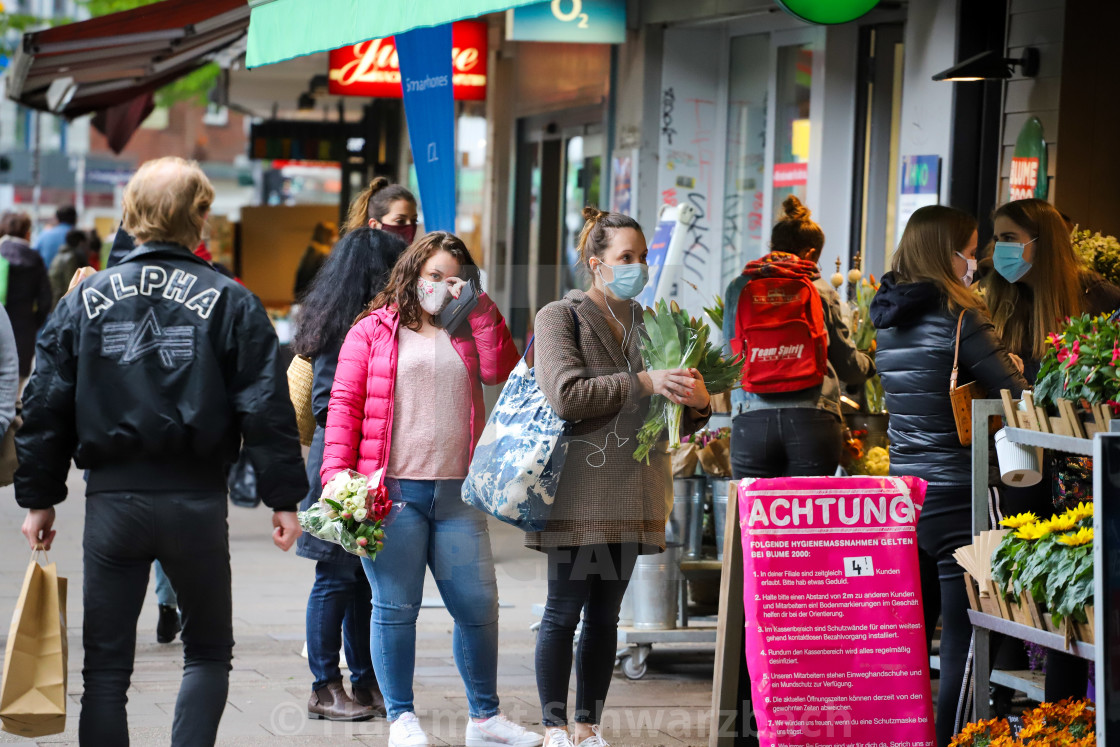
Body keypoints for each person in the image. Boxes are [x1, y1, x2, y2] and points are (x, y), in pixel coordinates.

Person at [14, 156, 308, 746]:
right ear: (199, 216)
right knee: (207, 653)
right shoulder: (231, 300)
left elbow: (45, 403)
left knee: (105, 671)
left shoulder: (84, 298)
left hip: (113, 503)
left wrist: (40, 499)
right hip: (196, 501)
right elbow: (265, 405)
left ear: (133, 214)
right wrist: (283, 498)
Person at [322, 231, 535, 747]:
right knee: (395, 607)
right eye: (433, 276)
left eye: (454, 279)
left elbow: (501, 370)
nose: (441, 286)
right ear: (413, 274)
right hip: (392, 493)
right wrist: (335, 476)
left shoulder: (466, 328)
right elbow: (345, 403)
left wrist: (478, 306)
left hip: (457, 493)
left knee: (479, 605)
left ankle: (485, 719)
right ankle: (402, 717)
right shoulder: (373, 330)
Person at [531, 208, 712, 747]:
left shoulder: (649, 320)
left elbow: (672, 405)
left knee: (606, 617)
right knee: (564, 611)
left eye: (643, 257)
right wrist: (643, 380)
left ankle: (588, 725)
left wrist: (699, 403)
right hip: (577, 492)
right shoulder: (559, 317)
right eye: (625, 258)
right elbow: (565, 395)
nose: (638, 266)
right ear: (596, 264)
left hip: (635, 490)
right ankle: (553, 726)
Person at [870, 205, 1028, 747]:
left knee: (912, 634)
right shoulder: (964, 317)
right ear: (948, 253)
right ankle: (950, 738)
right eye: (970, 249)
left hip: (904, 494)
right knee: (966, 630)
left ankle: (901, 736)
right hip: (962, 495)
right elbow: (1012, 393)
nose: (976, 261)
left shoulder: (888, 319)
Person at [981, 198, 1120, 705]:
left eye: (1010, 238)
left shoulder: (1096, 299)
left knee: (1065, 587)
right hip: (1016, 469)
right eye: (996, 238)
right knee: (1014, 573)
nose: (1000, 250)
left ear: (1044, 242)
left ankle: (1062, 711)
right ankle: (1003, 705)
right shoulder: (997, 300)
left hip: (1079, 477)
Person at [291, 227, 407, 721]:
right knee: (336, 576)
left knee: (361, 577)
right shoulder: (346, 325)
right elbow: (324, 404)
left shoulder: (369, 320)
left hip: (367, 466)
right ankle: (323, 685)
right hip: (341, 464)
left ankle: (365, 681)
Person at [722, 196, 875, 480]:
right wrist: (870, 363)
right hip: (813, 421)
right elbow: (847, 365)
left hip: (751, 422)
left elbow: (727, 360)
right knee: (808, 520)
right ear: (812, 252)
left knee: (758, 520)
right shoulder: (818, 288)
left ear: (773, 246)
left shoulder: (739, 286)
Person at [0, 211, 52, 390]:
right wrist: (34, 322)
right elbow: (46, 299)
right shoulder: (34, 258)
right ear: (27, 232)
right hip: (23, 327)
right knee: (17, 380)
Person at [345, 176, 419, 242]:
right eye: (400, 221)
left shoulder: (415, 256)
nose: (410, 227)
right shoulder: (360, 256)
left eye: (414, 220)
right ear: (374, 225)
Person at [293, 221, 339, 300]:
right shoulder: (320, 253)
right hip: (313, 298)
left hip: (305, 296)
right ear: (326, 235)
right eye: (333, 234)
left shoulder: (312, 250)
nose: (336, 238)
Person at [48, 228, 91, 309]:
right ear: (80, 243)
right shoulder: (70, 258)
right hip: (63, 306)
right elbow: (72, 287)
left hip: (56, 303)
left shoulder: (59, 256)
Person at [33, 204, 76, 269]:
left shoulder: (44, 234)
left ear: (57, 218)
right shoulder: (80, 237)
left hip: (46, 276)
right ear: (75, 219)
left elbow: (33, 255)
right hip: (75, 277)